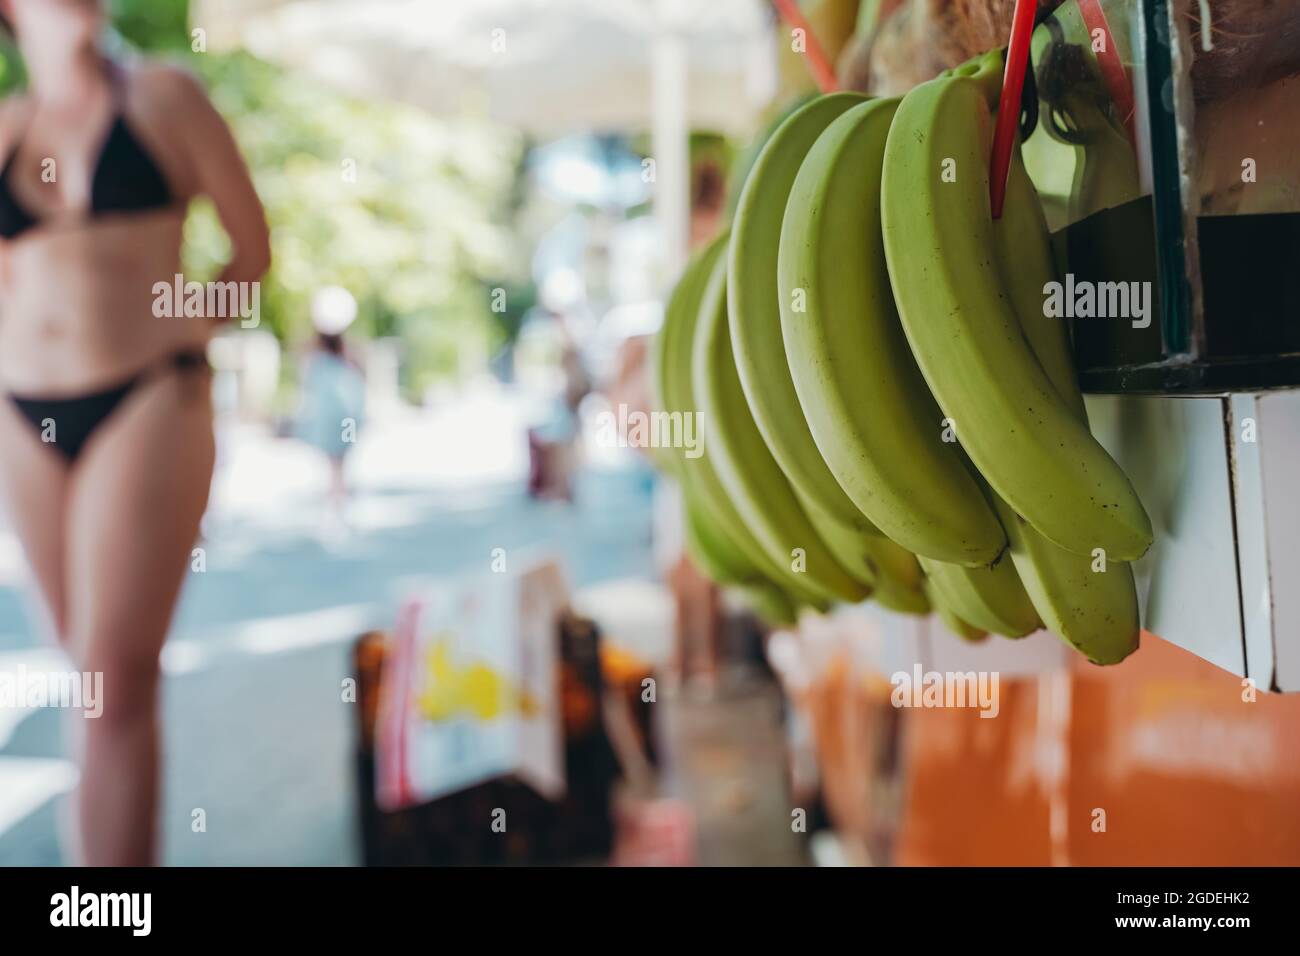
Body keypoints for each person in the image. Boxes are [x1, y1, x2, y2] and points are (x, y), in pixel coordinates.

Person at [0, 0, 270, 865]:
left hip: (147, 398)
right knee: (89, 685)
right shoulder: (7, 126)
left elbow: (251, 253)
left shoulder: (165, 97)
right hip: (20, 414)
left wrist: (186, 329)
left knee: (117, 686)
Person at [295, 286, 366, 539]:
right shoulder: (349, 352)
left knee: (332, 465)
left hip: (327, 417)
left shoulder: (313, 353)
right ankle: (340, 506)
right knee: (340, 465)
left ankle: (335, 507)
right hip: (344, 416)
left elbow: (306, 384)